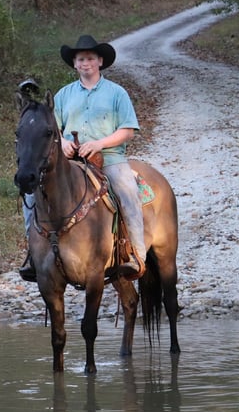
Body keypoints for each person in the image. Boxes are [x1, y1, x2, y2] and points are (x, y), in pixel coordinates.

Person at [19, 34, 146, 281]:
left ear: (99, 61)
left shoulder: (117, 93)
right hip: (69, 161)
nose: (85, 63)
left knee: (128, 192)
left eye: (90, 58)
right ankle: (34, 253)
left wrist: (99, 143)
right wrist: (64, 143)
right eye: (80, 59)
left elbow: (128, 130)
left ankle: (135, 254)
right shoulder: (63, 95)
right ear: (75, 64)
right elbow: (51, 129)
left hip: (108, 158)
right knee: (32, 193)